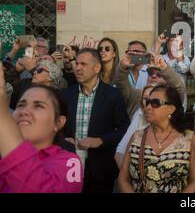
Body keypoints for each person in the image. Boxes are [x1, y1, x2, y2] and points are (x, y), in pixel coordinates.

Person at [0, 64, 82, 193]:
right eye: (21, 105)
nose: (25, 111)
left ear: (59, 122)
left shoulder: (70, 162)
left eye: (38, 106)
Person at [62, 48, 130, 193]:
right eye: (77, 63)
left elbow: (125, 129)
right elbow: (56, 126)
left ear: (97, 67)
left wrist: (100, 140)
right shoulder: (67, 95)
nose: (78, 68)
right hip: (69, 168)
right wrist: (64, 140)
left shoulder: (113, 95)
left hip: (101, 169)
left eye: (83, 64)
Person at [117, 85, 195, 193]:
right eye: (147, 102)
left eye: (155, 103)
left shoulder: (189, 139)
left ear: (171, 108)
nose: (148, 107)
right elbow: (123, 179)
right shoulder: (136, 137)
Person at [114, 53, 187, 167]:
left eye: (159, 74)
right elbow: (121, 83)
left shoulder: (171, 98)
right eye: (150, 73)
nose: (153, 76)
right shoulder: (138, 95)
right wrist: (123, 67)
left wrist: (165, 69)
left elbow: (179, 88)